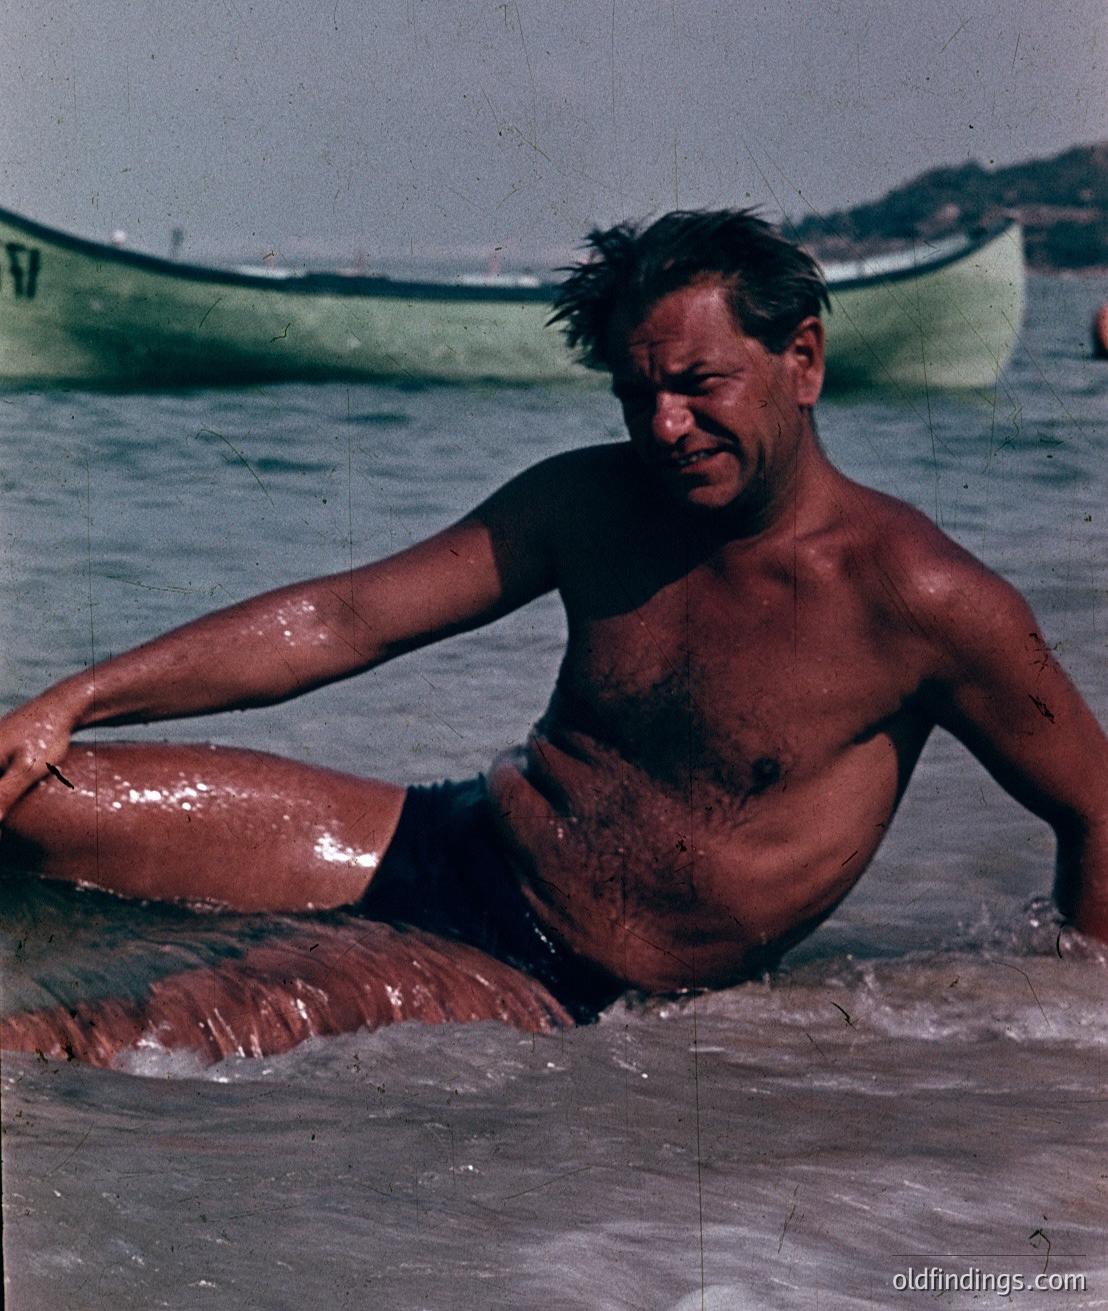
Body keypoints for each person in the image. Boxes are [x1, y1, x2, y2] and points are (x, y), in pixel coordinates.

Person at [1, 210, 1105, 1023]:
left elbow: (1098, 810)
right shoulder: (591, 499)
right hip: (438, 844)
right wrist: (69, 702)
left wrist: (1060, 1032)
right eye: (635, 393)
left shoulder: (925, 599)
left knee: (143, 1022)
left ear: (801, 360)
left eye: (697, 384)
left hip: (563, 977)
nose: (663, 426)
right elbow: (344, 619)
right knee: (28, 798)